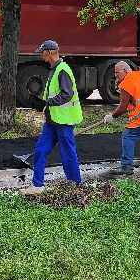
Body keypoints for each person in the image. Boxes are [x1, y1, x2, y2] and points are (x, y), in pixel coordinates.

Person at [23, 40, 83, 195]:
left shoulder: (62, 70)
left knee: (68, 153)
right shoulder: (54, 69)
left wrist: (48, 103)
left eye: (42, 52)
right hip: (53, 120)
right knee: (40, 149)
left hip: (63, 120)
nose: (41, 55)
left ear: (49, 52)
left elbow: (67, 94)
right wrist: (42, 104)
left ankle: (75, 186)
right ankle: (37, 185)